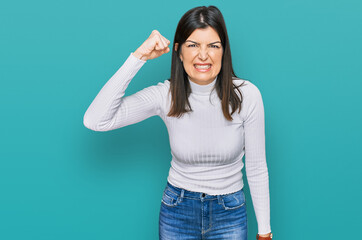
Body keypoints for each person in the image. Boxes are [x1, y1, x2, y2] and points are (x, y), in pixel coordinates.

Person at [83, 5, 273, 240]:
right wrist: (138, 57)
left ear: (224, 51)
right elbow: (96, 120)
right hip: (178, 211)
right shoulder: (166, 95)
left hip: (230, 211)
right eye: (193, 45)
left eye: (213, 46)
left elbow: (256, 168)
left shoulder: (247, 95)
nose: (203, 55)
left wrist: (264, 231)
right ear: (179, 51)